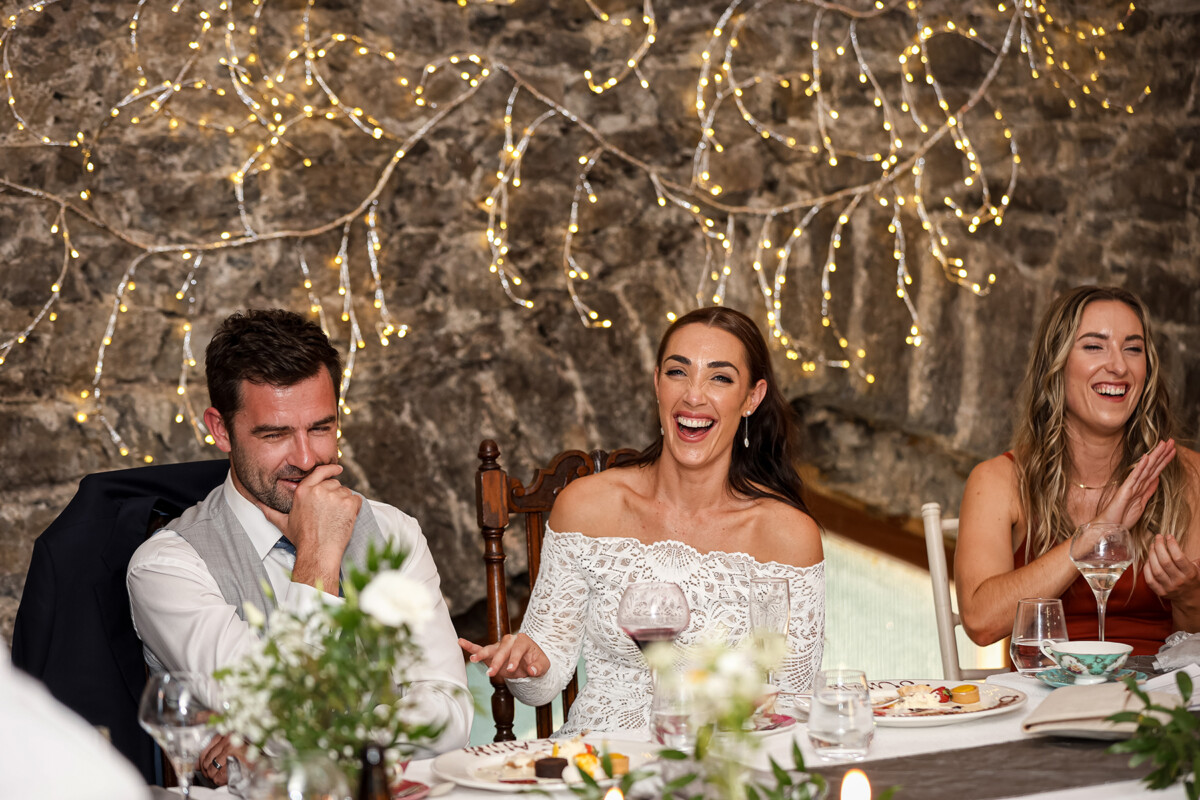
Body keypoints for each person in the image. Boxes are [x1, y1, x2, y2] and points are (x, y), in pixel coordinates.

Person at [127, 309, 471, 784]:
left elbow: (450, 713)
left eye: (321, 428)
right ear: (221, 429)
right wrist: (318, 558)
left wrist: (279, 743)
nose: (307, 458)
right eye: (276, 434)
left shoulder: (392, 532)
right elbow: (288, 715)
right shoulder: (167, 568)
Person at [459, 306, 825, 737]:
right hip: (594, 761)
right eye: (678, 372)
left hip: (720, 764)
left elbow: (792, 698)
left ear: (752, 397)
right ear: (656, 383)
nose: (693, 396)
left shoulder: (787, 536)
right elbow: (543, 680)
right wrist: (527, 664)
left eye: (720, 378)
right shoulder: (587, 506)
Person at [956, 285, 1200, 657]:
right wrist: (1094, 534)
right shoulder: (997, 480)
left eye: (1132, 348)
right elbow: (981, 623)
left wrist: (1189, 598)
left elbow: (1192, 647)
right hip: (1044, 699)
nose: (1119, 366)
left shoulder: (1189, 475)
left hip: (1154, 699)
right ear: (1056, 363)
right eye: (1094, 346)